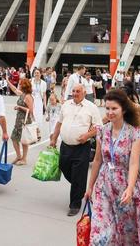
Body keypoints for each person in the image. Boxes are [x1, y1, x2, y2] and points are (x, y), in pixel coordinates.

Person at [84, 89, 140, 245]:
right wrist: (90, 187)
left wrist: (130, 188)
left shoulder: (134, 133)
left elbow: (134, 163)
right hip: (104, 185)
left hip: (125, 186)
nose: (110, 112)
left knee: (127, 232)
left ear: (123, 109)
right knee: (99, 235)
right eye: (107, 108)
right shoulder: (102, 131)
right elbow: (97, 161)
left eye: (114, 108)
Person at [50, 84, 102, 216]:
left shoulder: (91, 107)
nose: (75, 93)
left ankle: (75, 204)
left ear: (84, 92)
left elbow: (99, 127)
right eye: (73, 91)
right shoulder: (66, 104)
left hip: (81, 147)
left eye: (78, 91)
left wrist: (87, 136)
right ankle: (79, 187)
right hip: (65, 145)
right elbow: (59, 123)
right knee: (64, 166)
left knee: (78, 174)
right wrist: (54, 138)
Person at [7, 78, 35, 165]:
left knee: (24, 140)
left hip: (25, 120)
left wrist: (19, 107)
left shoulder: (28, 96)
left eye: (20, 84)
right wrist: (8, 81)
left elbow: (30, 110)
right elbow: (14, 90)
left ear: (24, 86)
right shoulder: (22, 94)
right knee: (14, 138)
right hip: (19, 120)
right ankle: (19, 156)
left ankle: (24, 159)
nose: (19, 85)